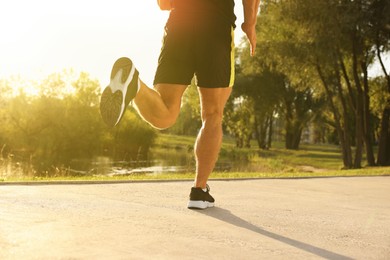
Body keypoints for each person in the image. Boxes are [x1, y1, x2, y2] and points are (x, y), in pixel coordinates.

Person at [100, 0, 260, 209]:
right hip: (215, 28)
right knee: (212, 113)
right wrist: (250, 22)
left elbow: (164, 4)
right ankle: (199, 192)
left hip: (179, 27)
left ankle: (135, 85)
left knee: (165, 113)